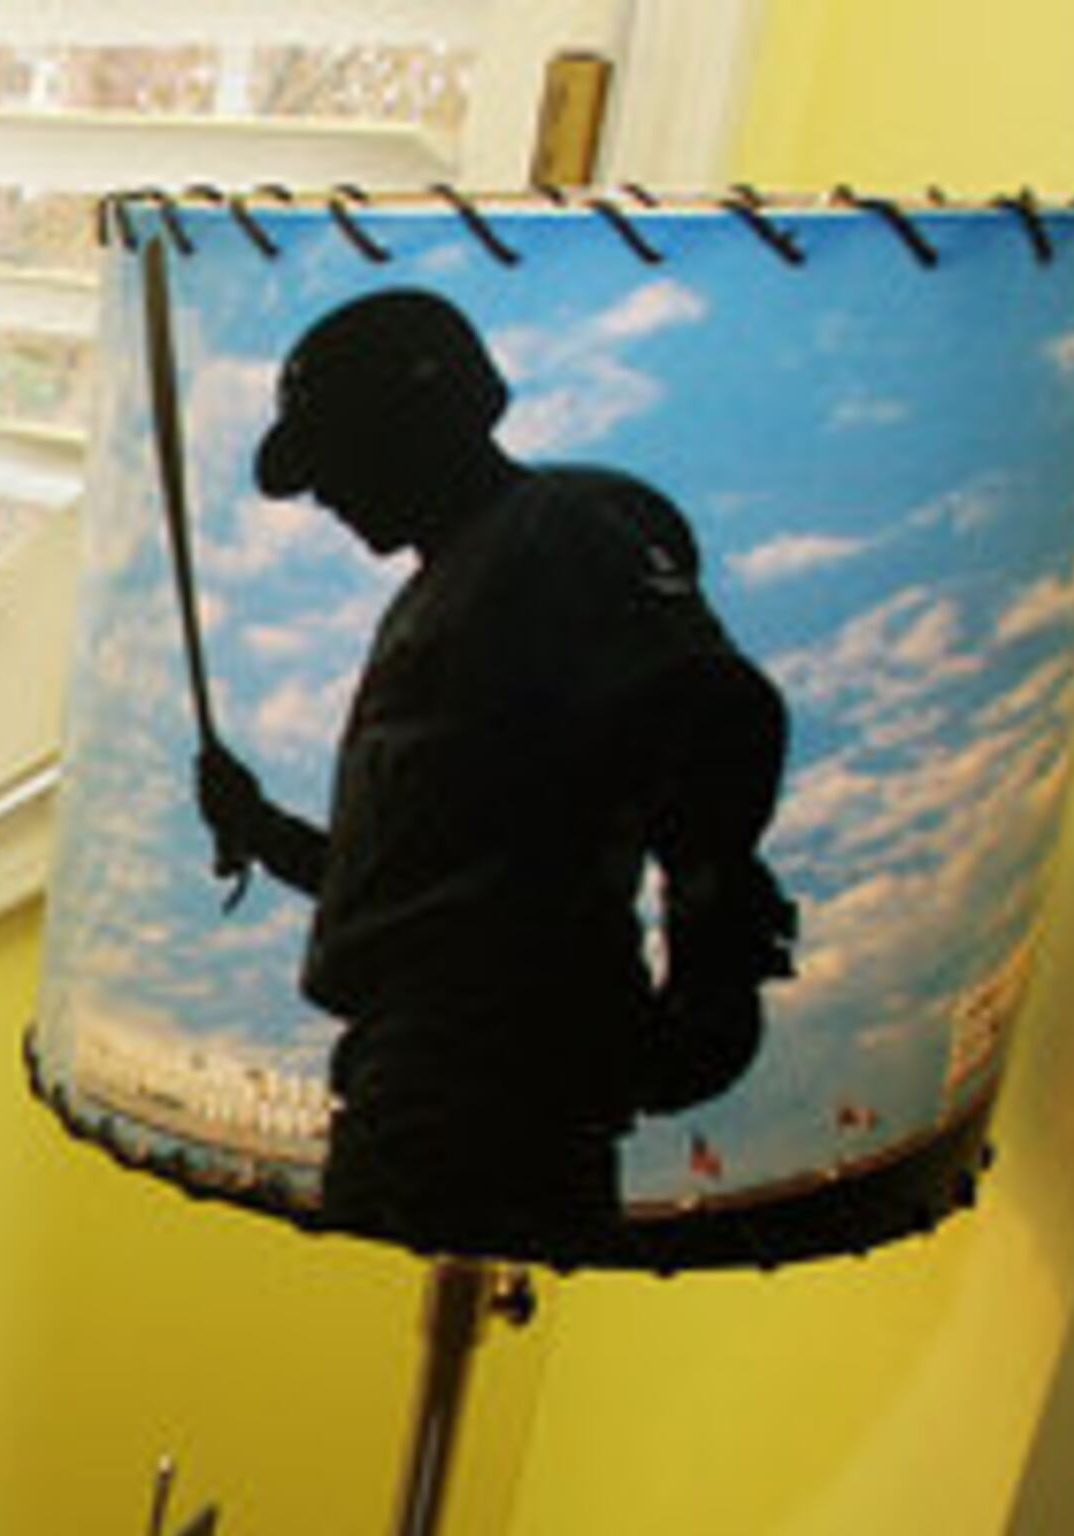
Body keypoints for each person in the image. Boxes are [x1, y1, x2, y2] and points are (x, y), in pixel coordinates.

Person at [192, 286, 794, 1259]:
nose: (323, 493)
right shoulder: (442, 591)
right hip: (413, 1074)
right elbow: (418, 890)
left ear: (419, 417)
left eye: (336, 450)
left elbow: (718, 709)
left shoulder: (559, 531)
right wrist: (263, 831)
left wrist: (708, 945)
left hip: (496, 1083)